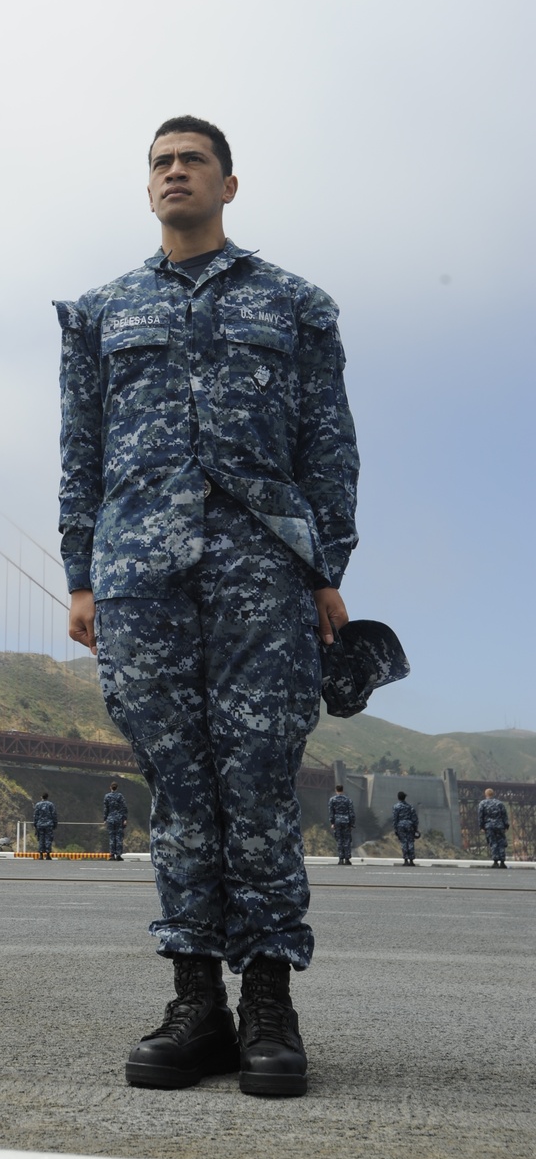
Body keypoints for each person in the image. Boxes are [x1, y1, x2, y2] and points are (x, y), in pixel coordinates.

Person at [55, 115, 359, 1099]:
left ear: (229, 185)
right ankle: (197, 1007)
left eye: (192, 161)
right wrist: (80, 573)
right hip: (139, 575)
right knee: (178, 788)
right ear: (147, 190)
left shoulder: (296, 304)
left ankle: (269, 1004)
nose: (173, 172)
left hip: (261, 569)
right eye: (159, 163)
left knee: (260, 781)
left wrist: (327, 568)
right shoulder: (99, 312)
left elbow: (328, 446)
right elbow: (80, 452)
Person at [478, 788, 510, 868]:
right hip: (500, 826)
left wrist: (481, 826)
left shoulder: (482, 803)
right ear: (493, 794)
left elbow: (480, 816)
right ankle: (502, 862)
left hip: (489, 826)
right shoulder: (499, 803)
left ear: (485, 794)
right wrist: (506, 826)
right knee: (501, 843)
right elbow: (504, 815)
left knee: (493, 843)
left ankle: (495, 862)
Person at [328, 783, 355, 866]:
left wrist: (332, 822)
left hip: (337, 822)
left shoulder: (332, 800)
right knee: (347, 840)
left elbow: (331, 812)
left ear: (336, 790)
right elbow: (351, 813)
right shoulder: (348, 800)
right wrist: (352, 824)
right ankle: (347, 859)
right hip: (346, 821)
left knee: (339, 840)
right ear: (343, 790)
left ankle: (340, 859)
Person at [392, 791, 419, 865]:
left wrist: (395, 828)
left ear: (398, 797)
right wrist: (416, 828)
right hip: (409, 825)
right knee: (410, 842)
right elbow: (414, 818)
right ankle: (411, 860)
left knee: (404, 842)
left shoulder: (396, 807)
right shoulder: (410, 806)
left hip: (400, 825)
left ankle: (406, 860)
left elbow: (395, 818)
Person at [103, 781, 128, 860]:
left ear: (110, 787)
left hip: (110, 819)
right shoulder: (120, 796)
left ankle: (111, 854)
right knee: (118, 837)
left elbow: (106, 809)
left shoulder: (107, 796)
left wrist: (105, 819)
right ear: (117, 788)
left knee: (111, 836)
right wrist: (124, 819)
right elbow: (124, 808)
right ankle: (118, 855)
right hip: (119, 819)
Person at [33, 792, 58, 859]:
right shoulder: (51, 805)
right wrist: (55, 824)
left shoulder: (38, 805)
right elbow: (54, 815)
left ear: (41, 797)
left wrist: (35, 824)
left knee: (41, 839)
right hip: (49, 824)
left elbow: (36, 815)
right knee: (48, 839)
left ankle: (41, 855)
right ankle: (48, 854)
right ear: (47, 797)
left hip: (40, 824)